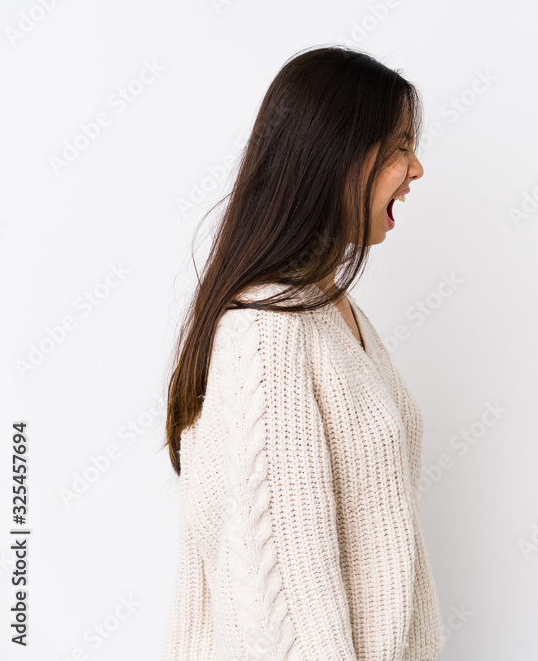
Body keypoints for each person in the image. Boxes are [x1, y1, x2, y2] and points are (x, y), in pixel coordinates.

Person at [161, 45, 445, 660]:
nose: (416, 167)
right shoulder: (267, 331)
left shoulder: (329, 312)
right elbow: (282, 600)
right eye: (399, 145)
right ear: (336, 158)